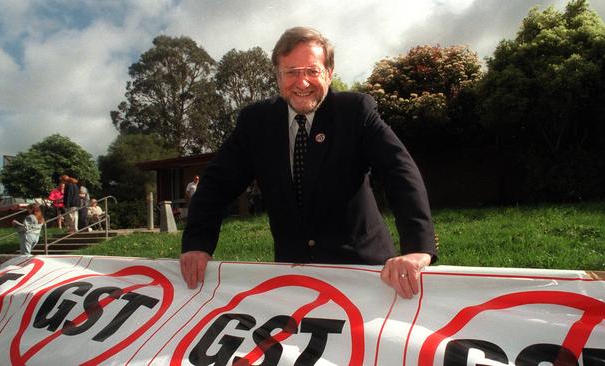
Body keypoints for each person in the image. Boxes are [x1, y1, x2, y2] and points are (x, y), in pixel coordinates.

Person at [181, 26, 437, 299]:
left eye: (312, 71)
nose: (301, 83)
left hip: (365, 274)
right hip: (294, 277)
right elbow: (217, 183)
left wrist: (417, 247)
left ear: (329, 72)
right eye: (291, 72)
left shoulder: (355, 112)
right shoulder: (256, 123)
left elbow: (399, 171)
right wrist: (197, 243)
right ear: (278, 77)